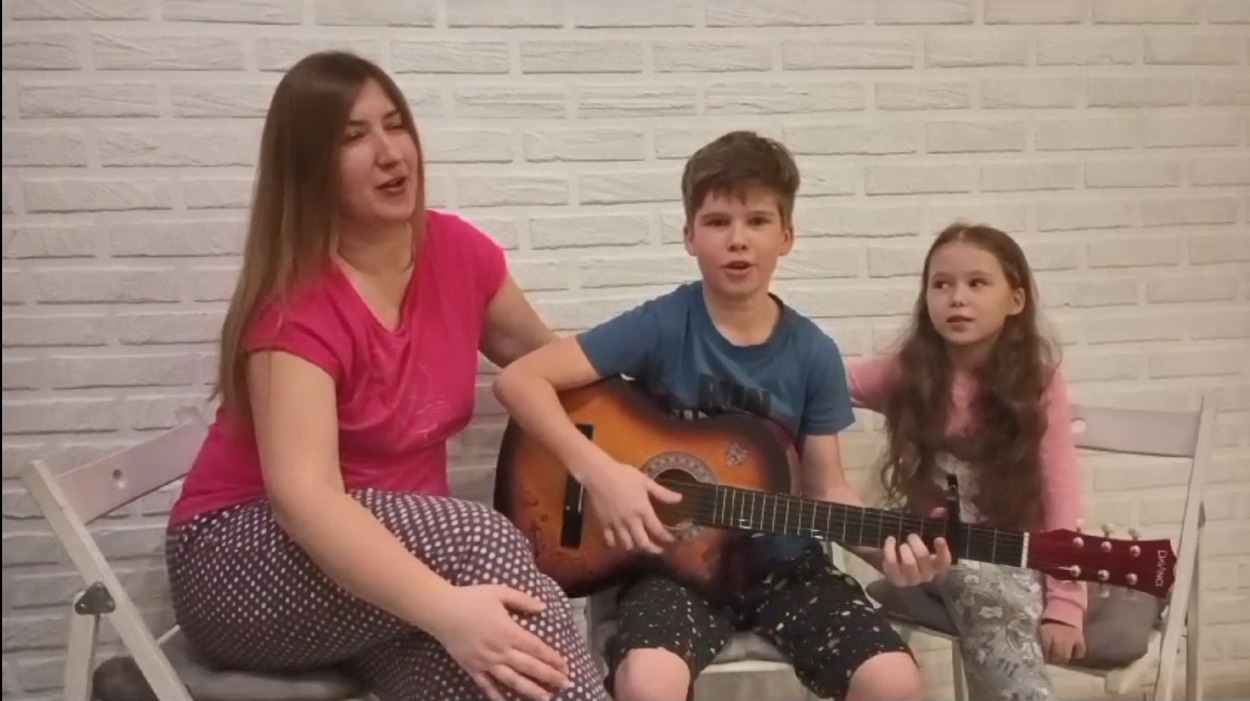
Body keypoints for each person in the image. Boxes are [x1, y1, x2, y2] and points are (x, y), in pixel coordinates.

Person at [163, 51, 611, 701]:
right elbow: (305, 500)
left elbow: (546, 359)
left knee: (492, 676)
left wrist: (662, 380)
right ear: (309, 168)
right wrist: (446, 609)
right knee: (482, 541)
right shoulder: (295, 308)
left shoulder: (457, 254)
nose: (390, 152)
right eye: (353, 137)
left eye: (395, 124)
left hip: (375, 577)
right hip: (239, 564)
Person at [493, 130, 951, 701]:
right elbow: (519, 380)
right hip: (672, 571)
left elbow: (827, 489)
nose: (738, 240)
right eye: (717, 222)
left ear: (786, 235)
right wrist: (599, 472)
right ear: (689, 235)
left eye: (757, 221)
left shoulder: (813, 352)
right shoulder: (663, 324)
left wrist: (889, 554)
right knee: (647, 683)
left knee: (896, 682)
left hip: (784, 566)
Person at [846, 222, 1088, 701]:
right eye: (942, 284)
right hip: (930, 558)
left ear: (1015, 300)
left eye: (977, 283)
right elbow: (821, 382)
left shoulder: (1037, 380)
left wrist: (1066, 602)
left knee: (993, 594)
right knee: (971, 579)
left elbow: (1061, 491)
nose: (957, 298)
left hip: (1013, 559)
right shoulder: (909, 371)